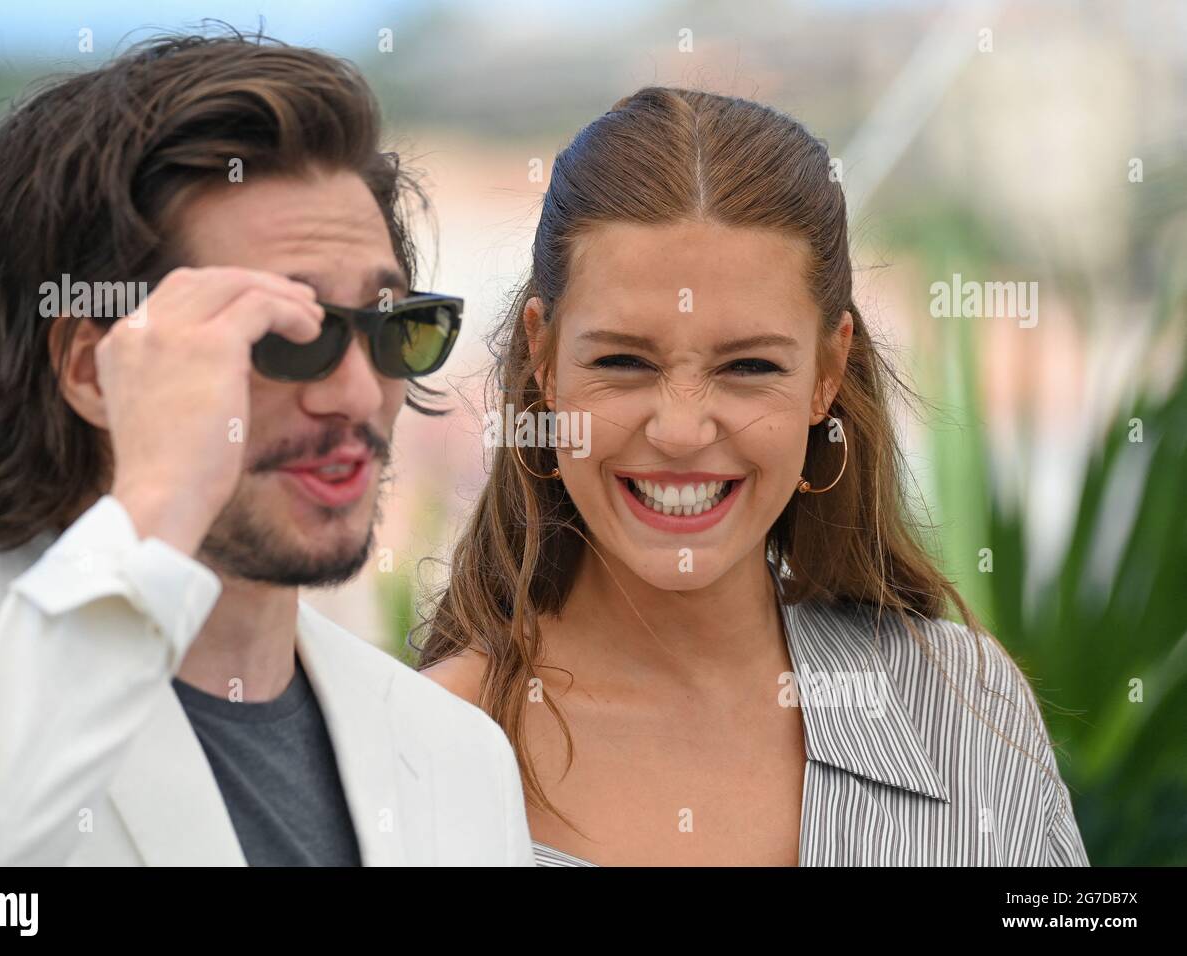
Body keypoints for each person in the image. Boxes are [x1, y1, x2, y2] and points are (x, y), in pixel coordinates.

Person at [0, 31, 533, 867]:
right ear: (92, 370)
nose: (351, 394)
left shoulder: (457, 756)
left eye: (393, 328)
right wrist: (156, 507)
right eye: (276, 331)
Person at [418, 87, 1089, 867]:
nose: (680, 430)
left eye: (748, 367)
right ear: (544, 358)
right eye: (623, 361)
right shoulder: (418, 755)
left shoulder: (964, 707)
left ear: (827, 372)